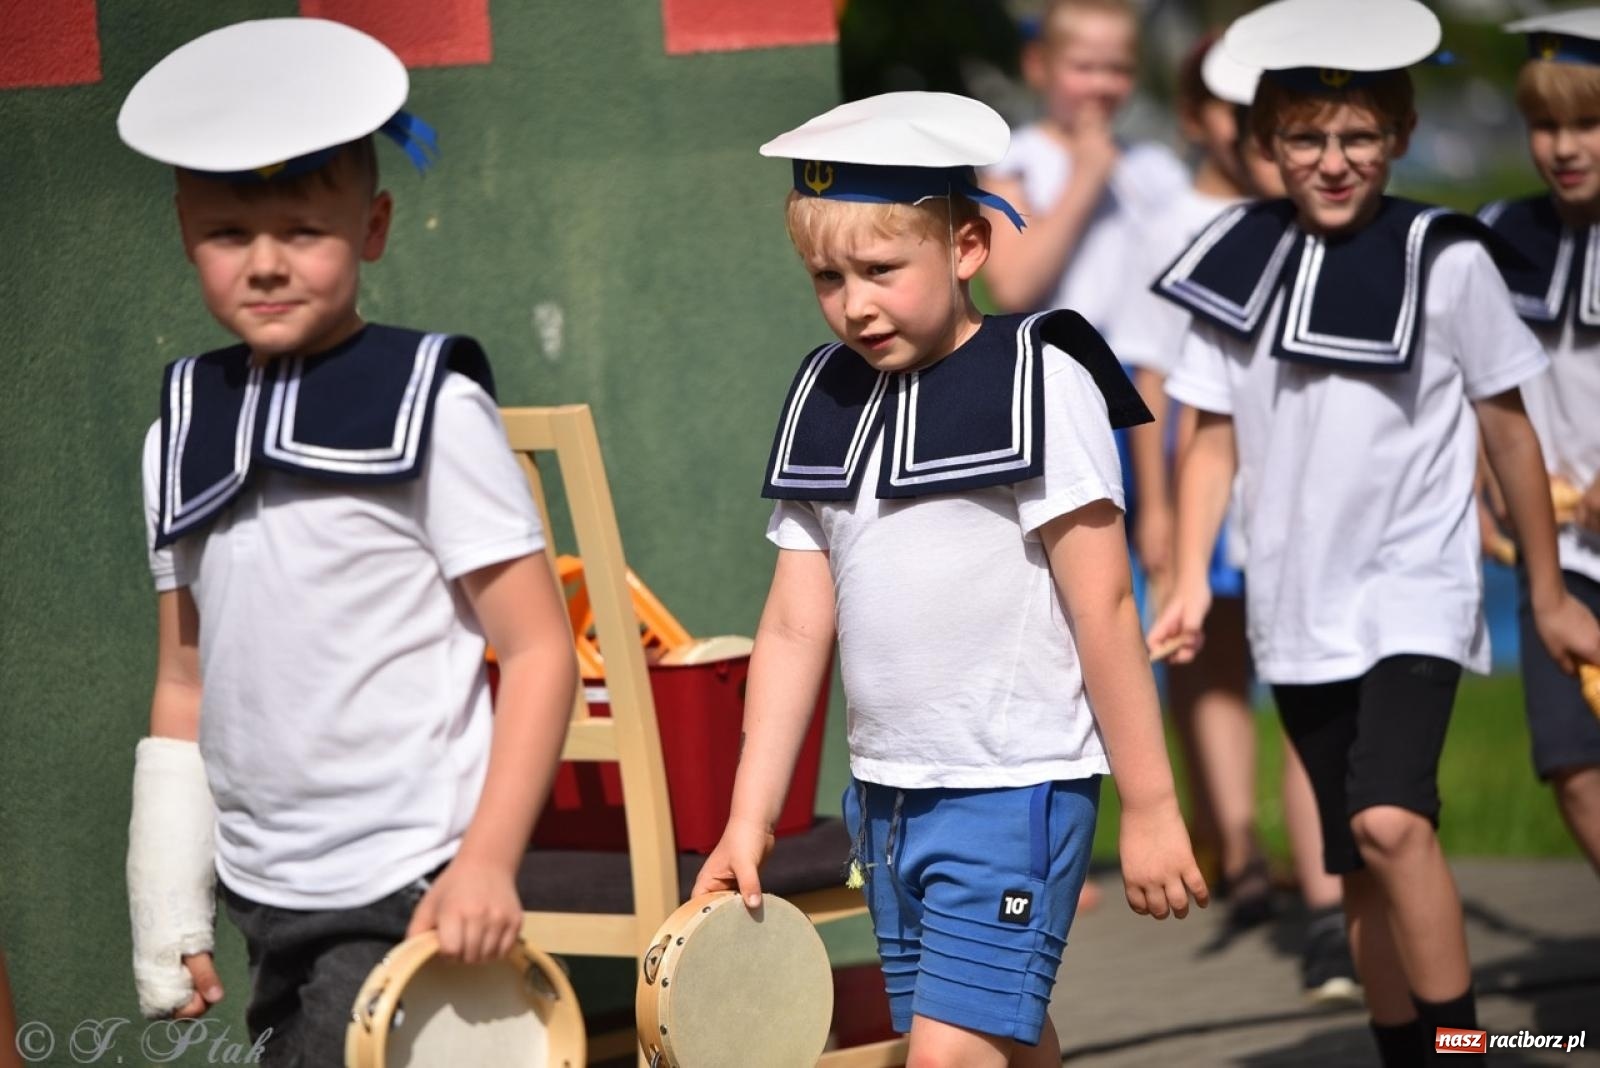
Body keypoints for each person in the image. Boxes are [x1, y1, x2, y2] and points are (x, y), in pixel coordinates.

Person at [692, 91, 1207, 1068]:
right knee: (1000, 1040)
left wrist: (1149, 805)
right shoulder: (822, 394)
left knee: (945, 1055)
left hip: (1014, 793)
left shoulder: (1041, 379)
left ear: (968, 245)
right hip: (884, 800)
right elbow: (797, 630)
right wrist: (747, 819)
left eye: (881, 270)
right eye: (826, 278)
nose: (854, 303)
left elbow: (1101, 604)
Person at [1146, 0, 1600, 1062]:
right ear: (1266, 142)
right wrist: (1178, 576)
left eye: (1356, 137)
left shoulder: (1448, 259)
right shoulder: (1233, 258)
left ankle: (1461, 1051)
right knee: (1355, 855)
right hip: (1296, 606)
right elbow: (1205, 437)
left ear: (1395, 135)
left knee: (1393, 823)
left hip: (1416, 596)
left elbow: (1510, 434)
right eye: (1305, 137)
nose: (1332, 160)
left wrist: (1542, 593)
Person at [119, 19, 575, 1065]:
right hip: (262, 896)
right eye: (231, 232)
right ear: (185, 227)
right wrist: (170, 899)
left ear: (371, 226)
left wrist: (488, 864)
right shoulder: (179, 431)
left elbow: (541, 651)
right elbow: (182, 682)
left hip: (413, 886)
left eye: (302, 229)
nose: (267, 263)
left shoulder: (433, 406)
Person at [1115, 32, 1358, 1004]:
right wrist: (1164, 515)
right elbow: (1152, 372)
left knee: (1305, 686)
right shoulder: (1173, 219)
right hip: (1208, 482)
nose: (1249, 130)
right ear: (1198, 118)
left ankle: (1328, 901)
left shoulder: (1320, 215)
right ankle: (1244, 853)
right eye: (1229, 108)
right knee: (1213, 668)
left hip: (1306, 502)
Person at [1477, 8, 1600, 877]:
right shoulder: (1496, 234)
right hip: (1555, 554)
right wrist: (1489, 482)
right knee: (1572, 765)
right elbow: (1471, 382)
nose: (1563, 145)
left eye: (1587, 123)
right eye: (1545, 125)